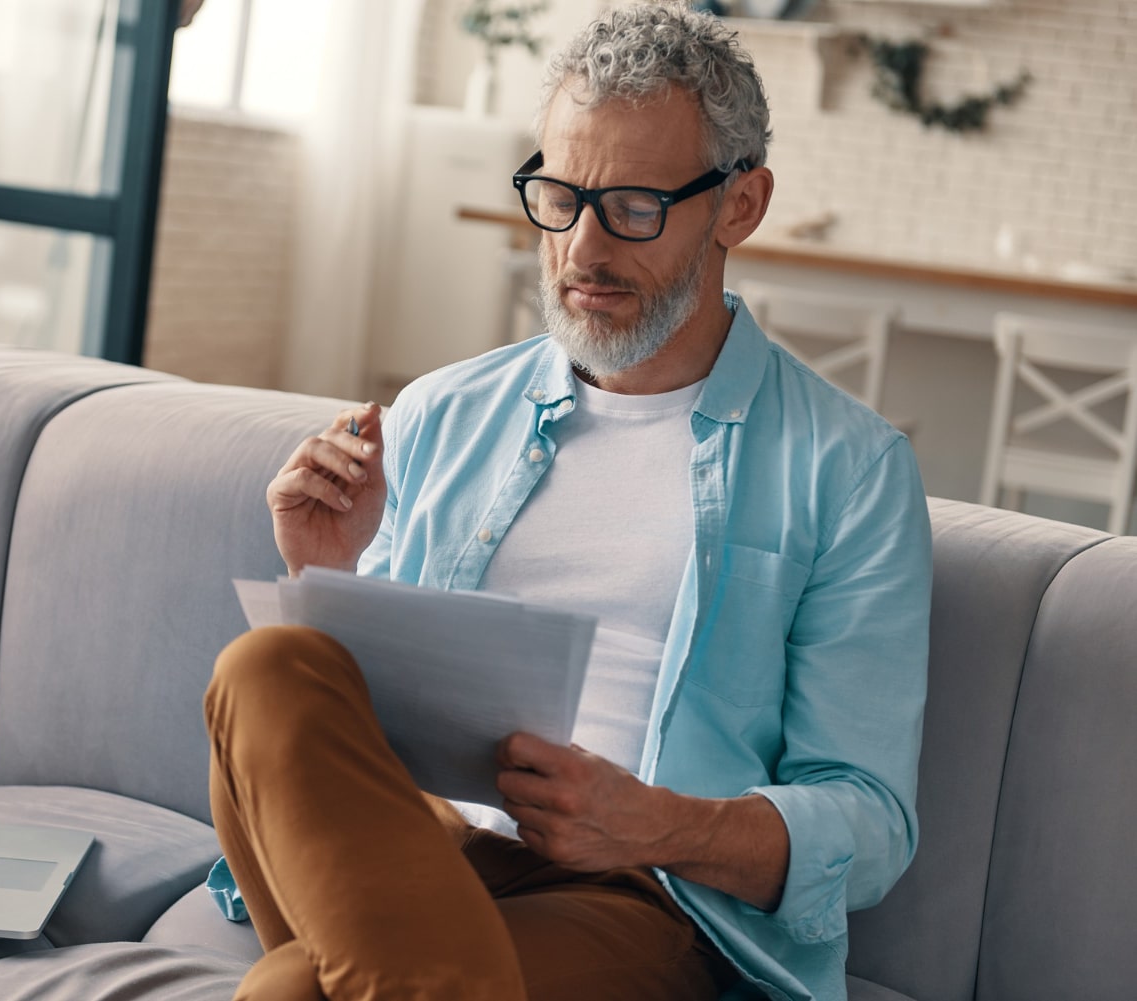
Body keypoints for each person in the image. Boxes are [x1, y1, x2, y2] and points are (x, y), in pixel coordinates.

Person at [203, 4, 931, 1000]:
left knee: (289, 993)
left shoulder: (847, 468)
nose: (581, 247)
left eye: (632, 205)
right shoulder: (446, 409)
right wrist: (328, 572)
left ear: (740, 205)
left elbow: (871, 819)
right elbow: (371, 720)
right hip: (415, 836)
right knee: (266, 663)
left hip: (640, 893)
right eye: (558, 194)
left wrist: (657, 820)